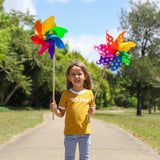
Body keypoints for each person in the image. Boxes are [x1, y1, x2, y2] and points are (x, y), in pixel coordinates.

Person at [50, 61, 96, 160]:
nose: (76, 77)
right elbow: (61, 114)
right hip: (70, 133)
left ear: (85, 76)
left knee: (85, 157)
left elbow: (92, 111)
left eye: (79, 74)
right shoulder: (66, 94)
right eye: (73, 74)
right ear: (69, 77)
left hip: (85, 132)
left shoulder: (89, 94)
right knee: (69, 157)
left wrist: (92, 111)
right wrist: (55, 110)